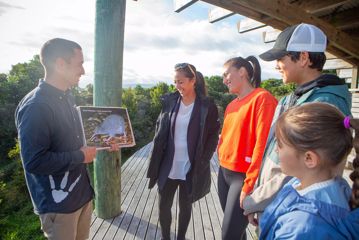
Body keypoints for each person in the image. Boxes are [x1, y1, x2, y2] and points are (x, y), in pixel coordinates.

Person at [243, 23, 352, 227]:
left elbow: (302, 168)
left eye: (280, 58)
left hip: (298, 213)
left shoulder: (325, 104)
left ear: (303, 57)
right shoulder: (289, 99)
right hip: (277, 204)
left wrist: (256, 201)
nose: (276, 65)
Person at [15, 38, 117, 240]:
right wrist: (80, 156)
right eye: (79, 63)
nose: (83, 71)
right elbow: (34, 162)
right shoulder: (36, 107)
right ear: (60, 64)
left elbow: (72, 138)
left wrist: (104, 141)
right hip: (59, 207)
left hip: (82, 196)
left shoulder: (66, 96)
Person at [259, 102, 359, 239]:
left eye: (280, 145)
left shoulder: (302, 228)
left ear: (309, 158)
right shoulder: (336, 186)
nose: (276, 150)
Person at [147, 63, 220, 240]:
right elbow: (160, 129)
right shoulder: (170, 101)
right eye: (175, 82)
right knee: (163, 207)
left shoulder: (207, 105)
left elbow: (213, 135)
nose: (177, 86)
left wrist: (204, 160)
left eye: (181, 82)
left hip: (191, 167)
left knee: (185, 207)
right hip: (167, 165)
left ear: (193, 80)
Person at [217, 56, 278, 240]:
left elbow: (262, 146)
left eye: (226, 74)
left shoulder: (263, 99)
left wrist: (249, 185)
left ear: (242, 71)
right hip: (223, 172)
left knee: (228, 235)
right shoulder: (231, 105)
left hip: (243, 177)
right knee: (238, 233)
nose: (224, 79)